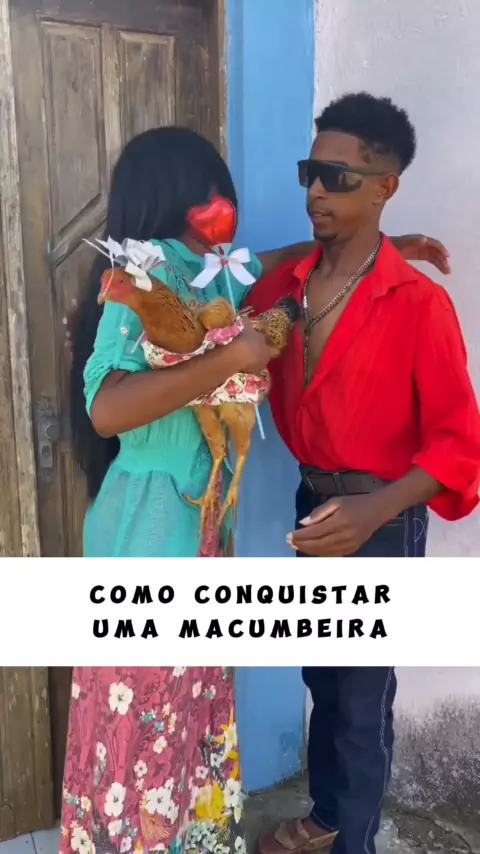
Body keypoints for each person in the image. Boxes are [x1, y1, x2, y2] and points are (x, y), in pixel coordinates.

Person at [64, 125, 450, 854]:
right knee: (142, 721)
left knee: (186, 719)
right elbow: (106, 406)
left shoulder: (208, 269)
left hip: (199, 534)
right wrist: (230, 359)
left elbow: (278, 261)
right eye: (211, 194)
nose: (225, 208)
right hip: (148, 539)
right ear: (174, 198)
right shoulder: (142, 278)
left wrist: (381, 249)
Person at [246, 93, 480, 854]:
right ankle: (328, 817)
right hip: (312, 504)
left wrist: (374, 511)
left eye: (338, 178)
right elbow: (225, 277)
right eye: (309, 173)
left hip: (383, 519)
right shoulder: (286, 290)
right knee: (322, 675)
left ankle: (355, 840)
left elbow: (459, 443)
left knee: (361, 698)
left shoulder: (417, 304)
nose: (316, 191)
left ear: (386, 184)